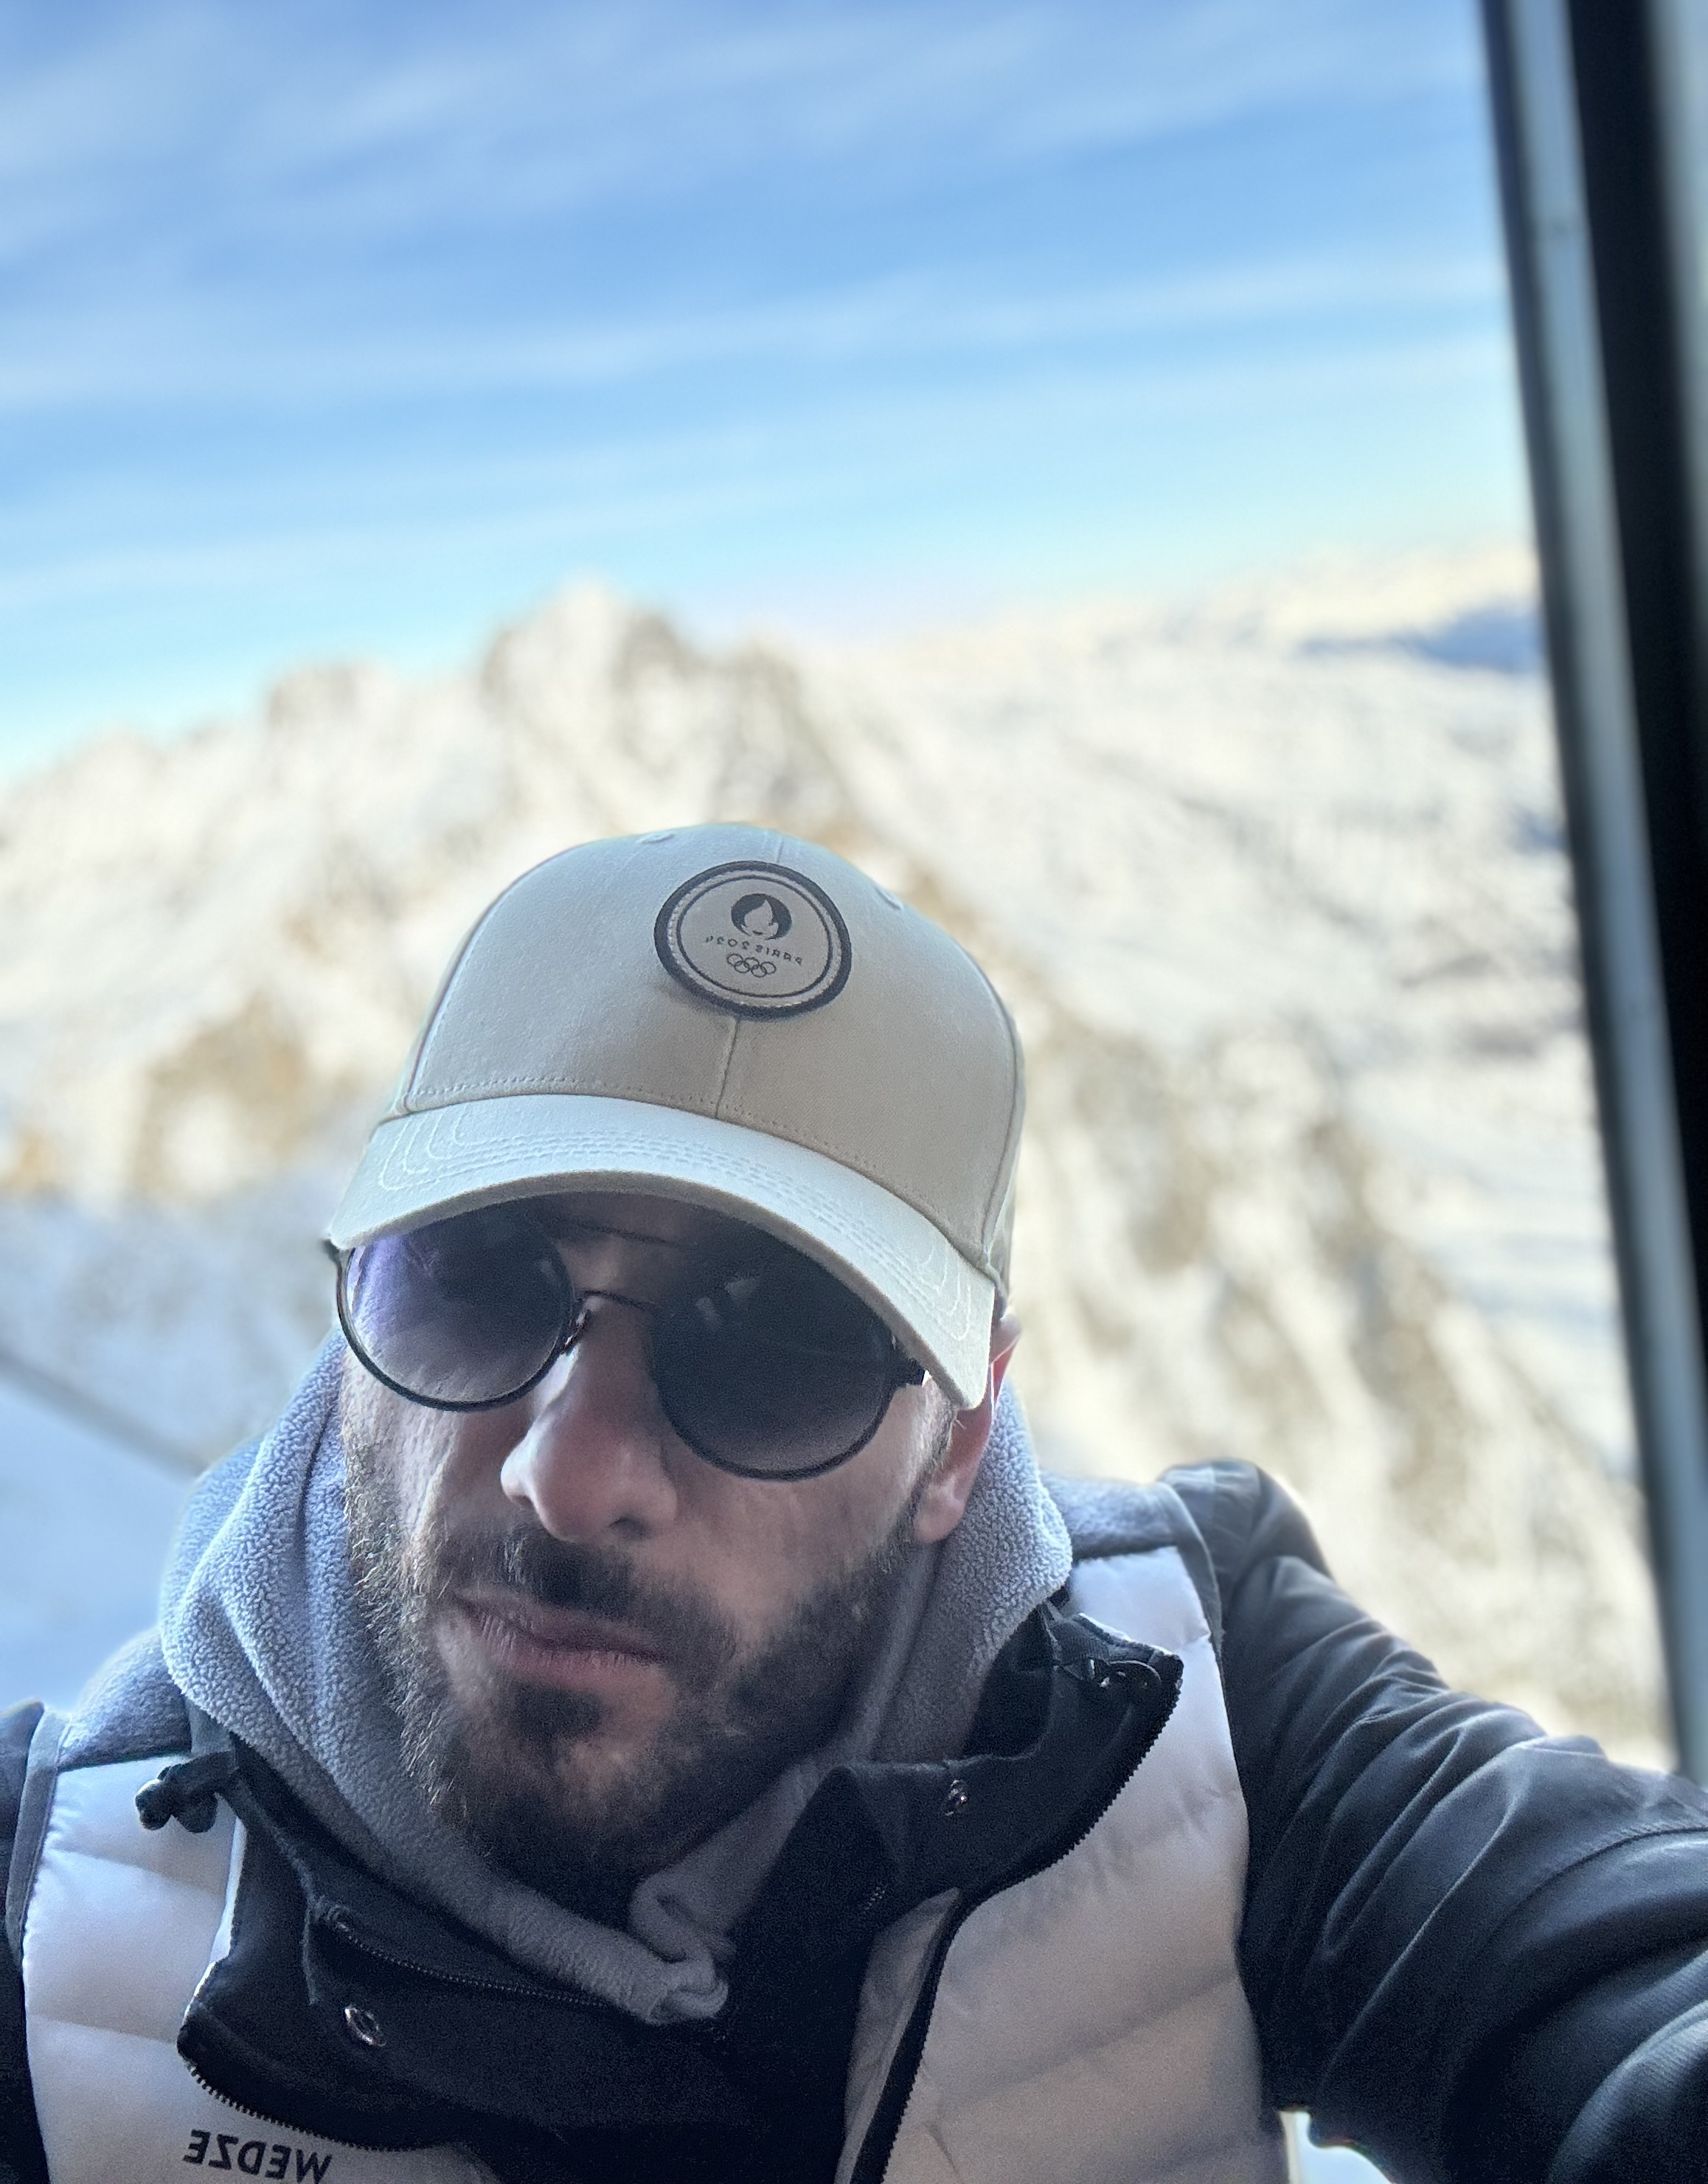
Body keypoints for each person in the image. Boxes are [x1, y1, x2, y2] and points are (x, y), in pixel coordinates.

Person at [2, 822, 1706, 2184]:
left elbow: (1620, 1970)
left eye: (778, 1348)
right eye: (476, 1276)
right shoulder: (49, 1909)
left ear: (961, 1443)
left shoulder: (1204, 1718)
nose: (567, 1476)